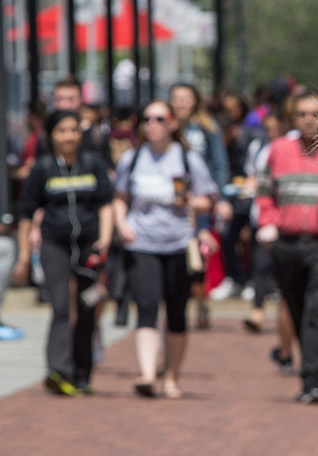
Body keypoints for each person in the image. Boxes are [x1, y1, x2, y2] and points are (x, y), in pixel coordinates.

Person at [254, 91, 318, 404]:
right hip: (286, 244)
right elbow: (264, 191)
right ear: (293, 118)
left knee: (316, 306)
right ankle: (312, 368)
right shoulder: (278, 150)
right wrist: (268, 222)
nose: (309, 119)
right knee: (295, 306)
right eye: (301, 114)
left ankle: (313, 378)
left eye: (315, 113)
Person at [113, 100, 218, 399]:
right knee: (146, 306)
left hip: (178, 244)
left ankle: (171, 377)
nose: (152, 124)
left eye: (159, 118)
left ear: (172, 123)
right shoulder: (132, 158)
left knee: (176, 312)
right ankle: (147, 374)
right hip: (142, 243)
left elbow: (207, 199)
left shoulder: (188, 160)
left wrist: (188, 201)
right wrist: (122, 224)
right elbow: (120, 196)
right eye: (146, 119)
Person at [12, 110, 114, 395]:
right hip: (54, 244)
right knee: (60, 307)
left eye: (73, 130)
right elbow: (26, 215)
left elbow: (106, 203)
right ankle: (58, 370)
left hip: (88, 245)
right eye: (61, 131)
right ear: (51, 135)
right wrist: (23, 257)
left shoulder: (93, 163)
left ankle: (82, 375)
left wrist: (105, 239)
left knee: (86, 308)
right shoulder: (42, 168)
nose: (68, 136)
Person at [168, 83, 230, 325]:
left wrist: (222, 199)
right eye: (177, 98)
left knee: (200, 250)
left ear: (195, 101)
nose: (181, 102)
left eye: (186, 98)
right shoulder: (166, 126)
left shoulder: (207, 127)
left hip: (201, 200)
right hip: (173, 201)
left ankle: (201, 302)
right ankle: (180, 301)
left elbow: (220, 163)